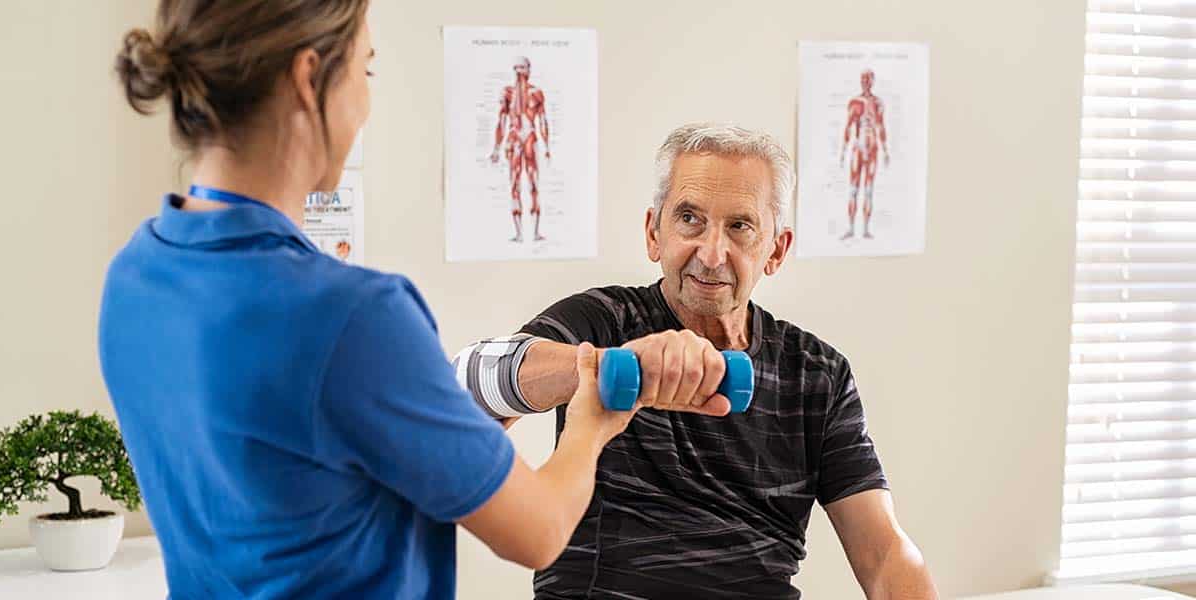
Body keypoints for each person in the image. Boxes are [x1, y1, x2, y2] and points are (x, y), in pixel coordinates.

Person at [100, 2, 632, 597]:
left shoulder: (133, 278)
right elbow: (538, 531)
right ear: (308, 79)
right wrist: (592, 422)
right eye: (365, 71)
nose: (364, 104)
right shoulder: (353, 317)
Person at [455, 124, 938, 599]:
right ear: (653, 233)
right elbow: (467, 385)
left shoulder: (817, 374)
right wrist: (614, 366)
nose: (711, 254)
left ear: (776, 250)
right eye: (690, 219)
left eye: (740, 227)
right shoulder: (601, 322)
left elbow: (883, 554)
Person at [489, 56, 551, 242]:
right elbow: (501, 121)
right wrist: (496, 148)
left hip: (530, 139)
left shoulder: (536, 93)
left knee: (533, 183)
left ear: (529, 69)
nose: (519, 72)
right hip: (514, 139)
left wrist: (547, 146)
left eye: (522, 68)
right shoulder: (507, 93)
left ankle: (535, 232)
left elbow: (543, 120)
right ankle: (518, 232)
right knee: (514, 184)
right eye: (516, 68)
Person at [839, 69, 890, 240]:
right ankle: (852, 228)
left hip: (873, 148)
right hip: (858, 148)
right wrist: (844, 150)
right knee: (854, 190)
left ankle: (866, 228)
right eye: (863, 79)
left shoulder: (878, 103)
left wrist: (885, 150)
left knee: (868, 190)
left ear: (873, 81)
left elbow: (881, 127)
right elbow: (848, 127)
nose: (865, 82)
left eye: (868, 79)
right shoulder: (855, 102)